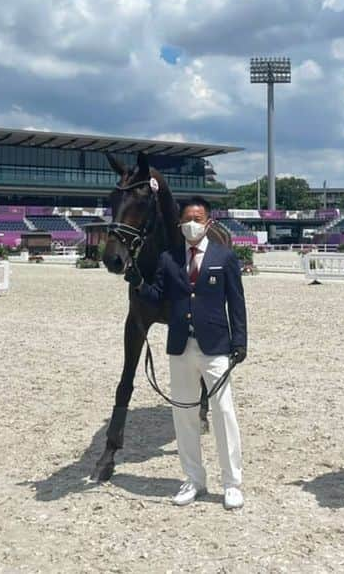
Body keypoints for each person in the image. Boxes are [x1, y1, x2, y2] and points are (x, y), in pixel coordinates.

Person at [126, 196, 248, 509]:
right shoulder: (169, 259)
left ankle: (232, 482)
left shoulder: (225, 257)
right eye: (187, 219)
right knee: (184, 416)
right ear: (180, 224)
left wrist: (240, 342)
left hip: (216, 347)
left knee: (223, 414)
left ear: (208, 222)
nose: (192, 224)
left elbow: (236, 303)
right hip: (180, 347)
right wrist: (139, 282)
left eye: (198, 218)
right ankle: (194, 479)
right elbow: (157, 297)